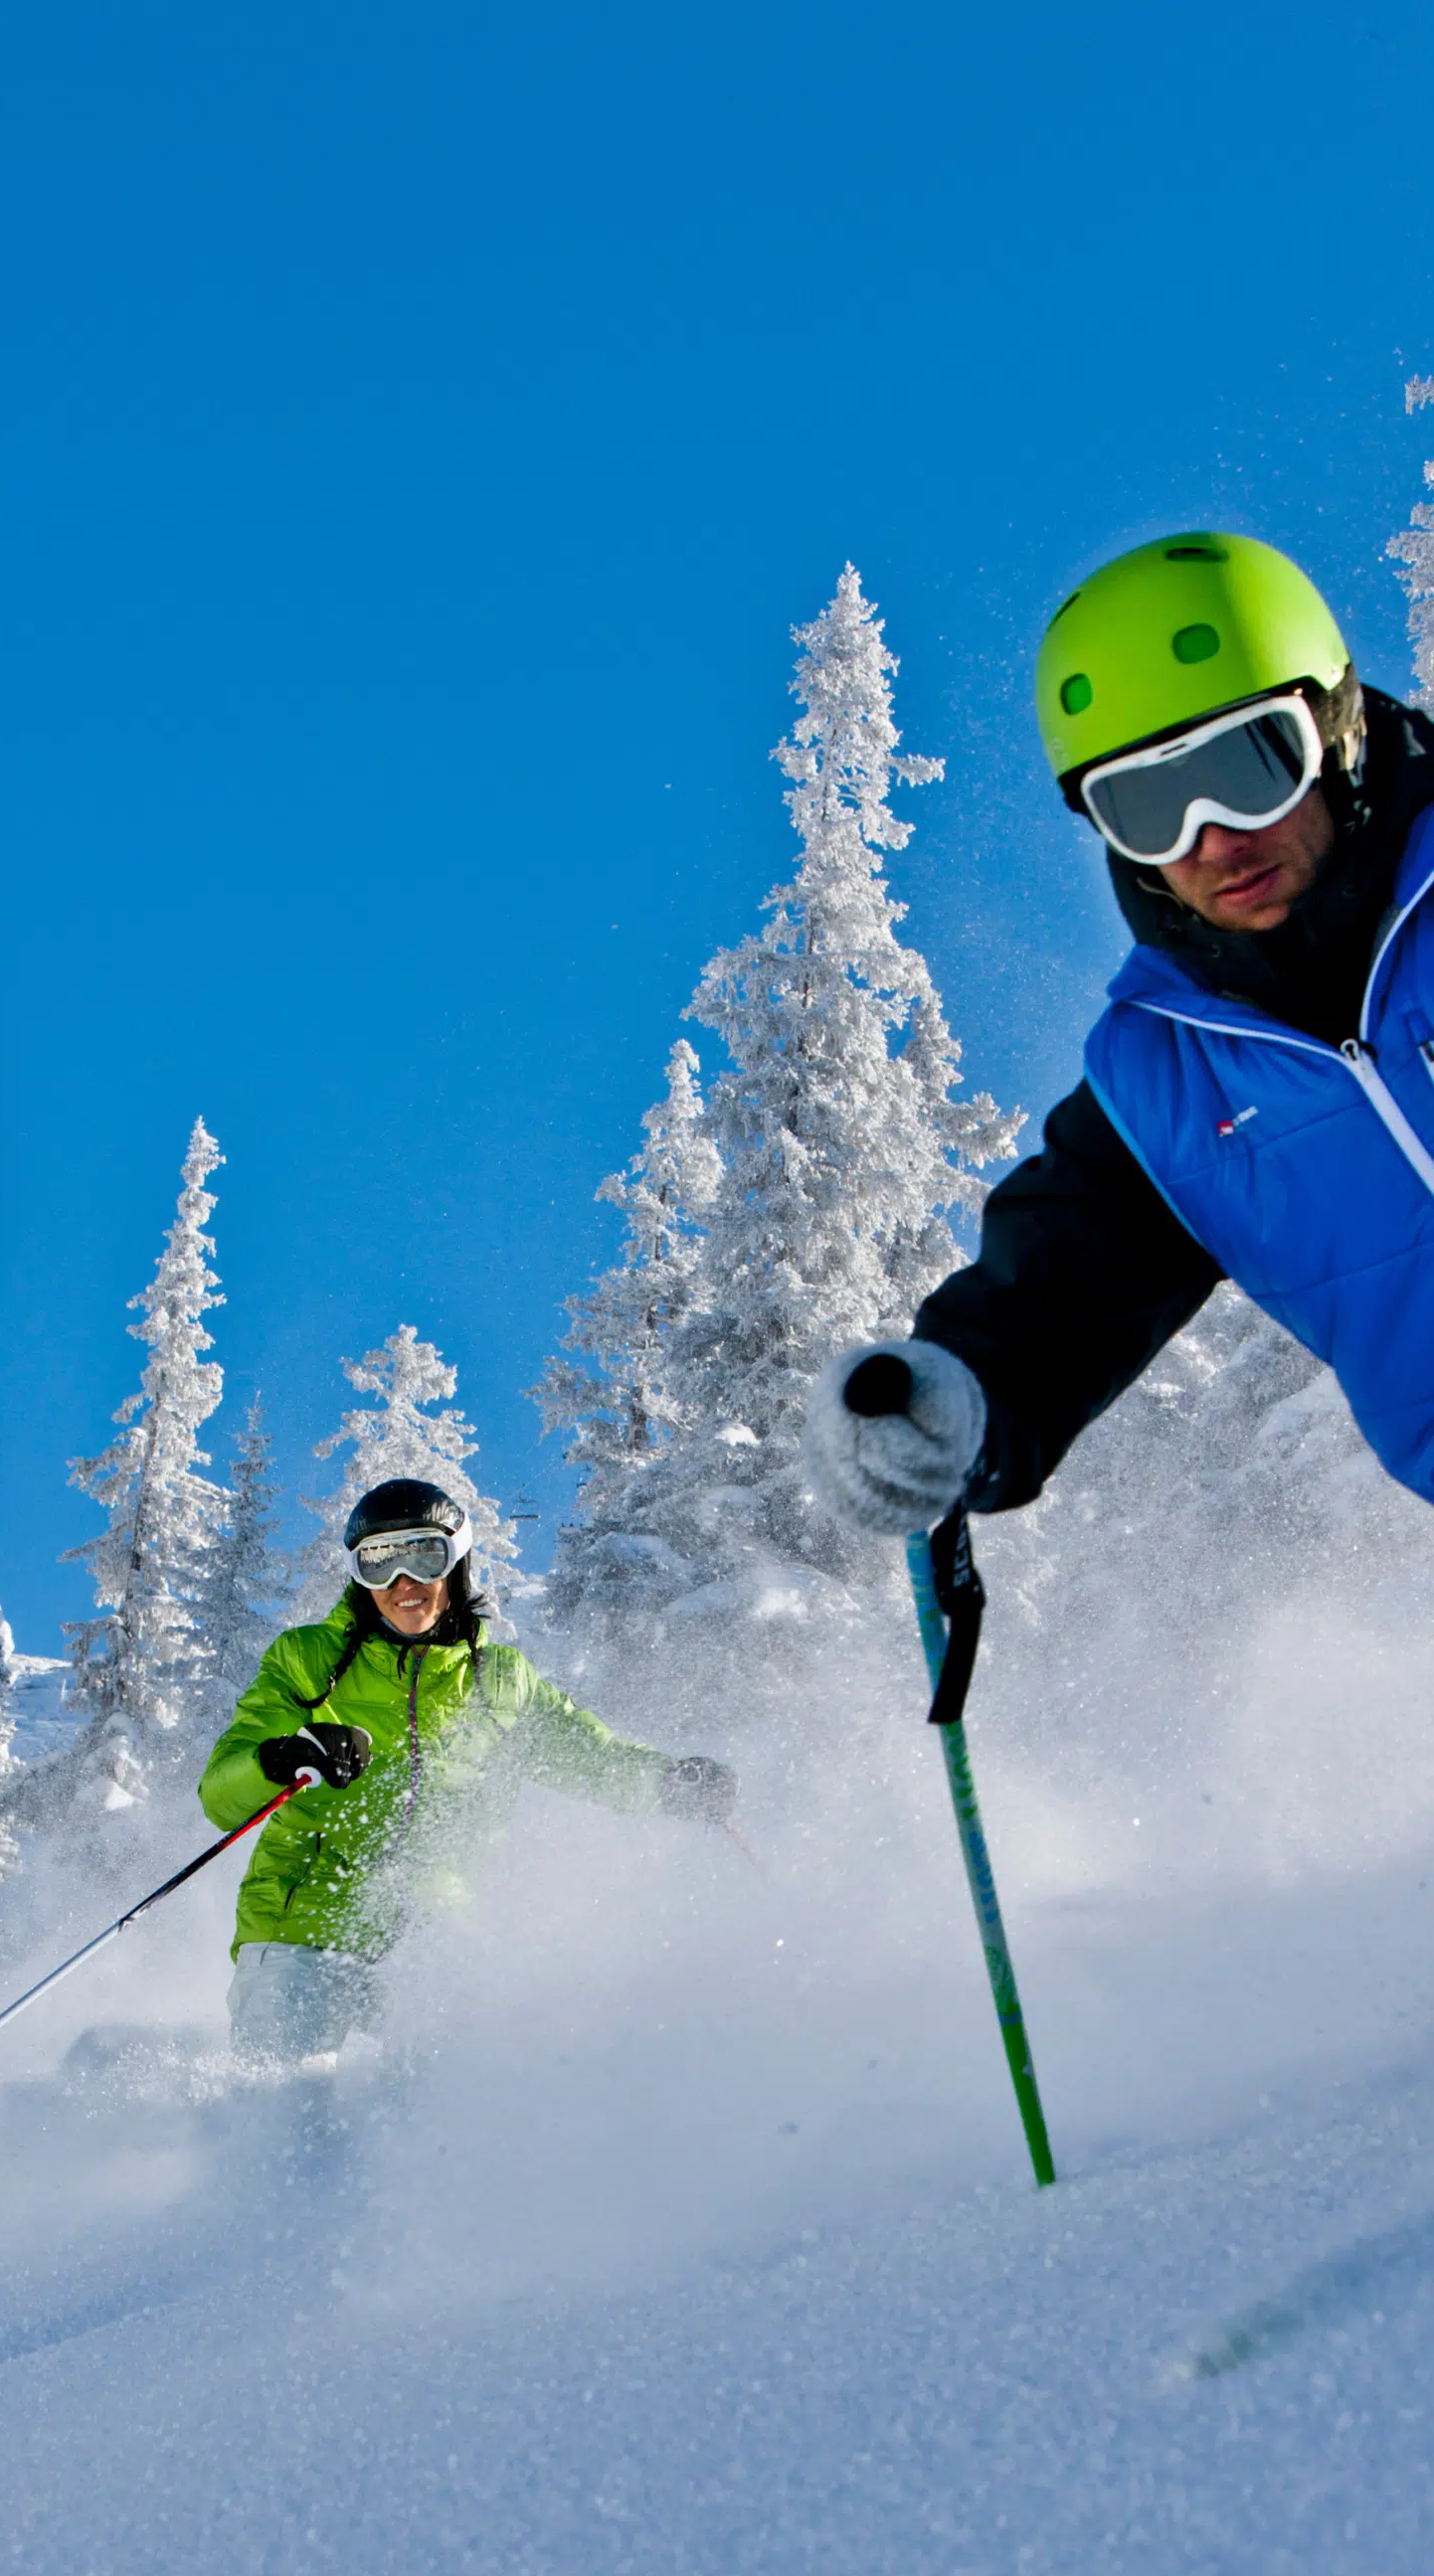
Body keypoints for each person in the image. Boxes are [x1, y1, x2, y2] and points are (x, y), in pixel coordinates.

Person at [801, 530, 1434, 1538]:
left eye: (1247, 765)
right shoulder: (1165, 1091)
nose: (1213, 839)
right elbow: (1053, 1296)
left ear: (1335, 726)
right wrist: (945, 1411)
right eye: (1145, 806)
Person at [198, 1477, 737, 2063]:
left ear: (457, 1563)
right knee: (280, 2109)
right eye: (379, 1562)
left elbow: (593, 1758)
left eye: (422, 1555)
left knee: (449, 2108)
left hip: (432, 1945)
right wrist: (283, 1756)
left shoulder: (501, 1682)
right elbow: (221, 1796)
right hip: (300, 1932)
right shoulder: (309, 1660)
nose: (403, 1583)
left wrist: (668, 1783)